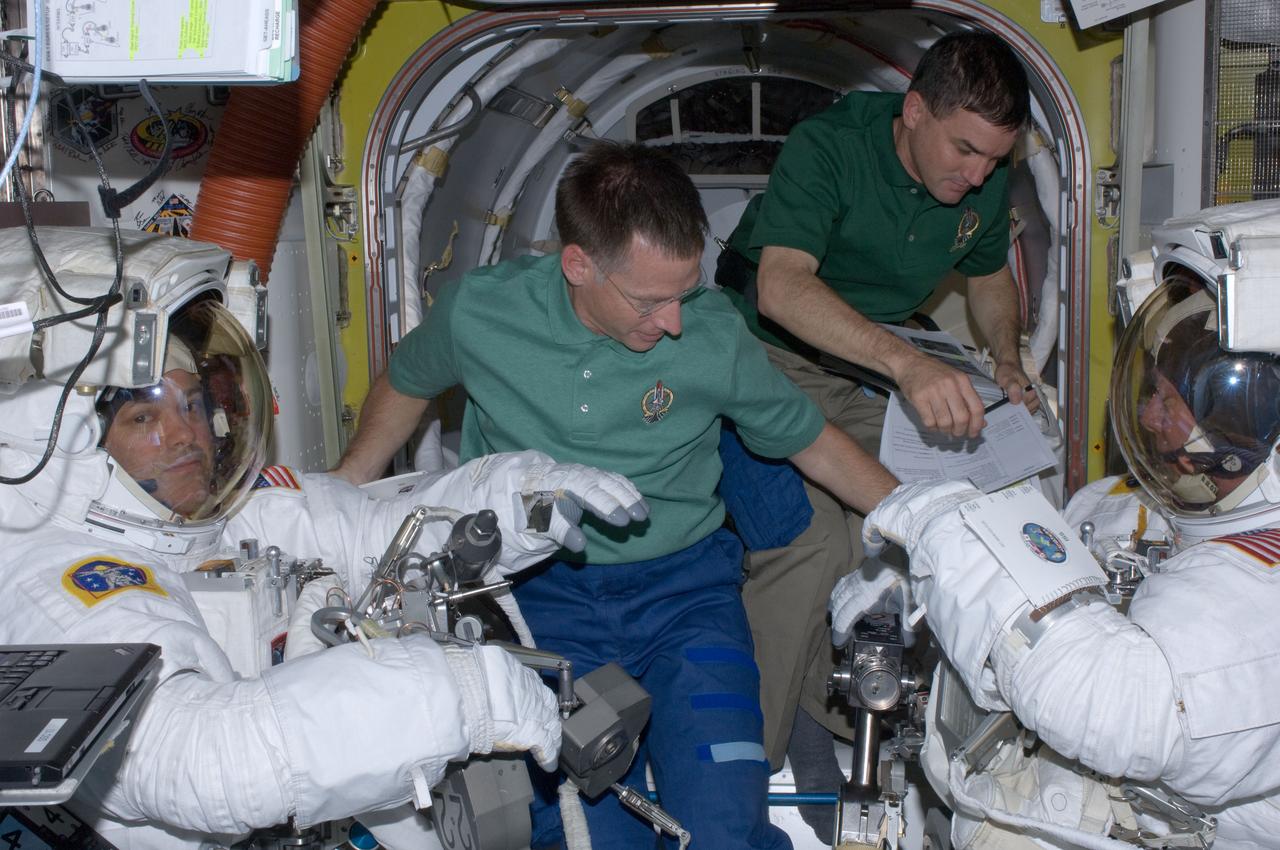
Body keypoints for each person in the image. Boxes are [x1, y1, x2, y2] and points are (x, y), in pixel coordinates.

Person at [0, 227, 649, 849]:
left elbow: (376, 530)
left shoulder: (227, 517)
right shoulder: (55, 585)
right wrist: (455, 694)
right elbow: (200, 757)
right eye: (145, 415)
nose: (186, 436)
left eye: (193, 403)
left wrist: (520, 498)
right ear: (60, 442)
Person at [333, 140, 900, 849]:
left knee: (727, 826)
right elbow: (408, 382)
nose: (675, 322)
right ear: (579, 266)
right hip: (536, 600)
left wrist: (925, 522)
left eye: (685, 292)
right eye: (651, 300)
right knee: (588, 836)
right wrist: (344, 495)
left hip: (687, 596)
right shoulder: (482, 313)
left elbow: (810, 439)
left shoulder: (714, 333)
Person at [830, 263, 1280, 848]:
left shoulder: (1261, 579)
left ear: (1247, 425)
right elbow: (1046, 593)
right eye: (1151, 392)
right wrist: (924, 582)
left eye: (1171, 403)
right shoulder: (1123, 504)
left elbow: (1112, 706)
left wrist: (944, 530)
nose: (1146, 417)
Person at [715, 30, 1036, 820]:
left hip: (875, 367)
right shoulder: (830, 148)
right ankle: (743, 762)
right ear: (914, 110)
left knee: (941, 516)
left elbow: (991, 273)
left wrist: (1005, 358)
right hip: (767, 360)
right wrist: (908, 366)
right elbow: (781, 291)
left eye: (995, 162)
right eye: (964, 151)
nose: (977, 175)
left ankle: (853, 709)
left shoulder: (980, 176)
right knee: (812, 539)